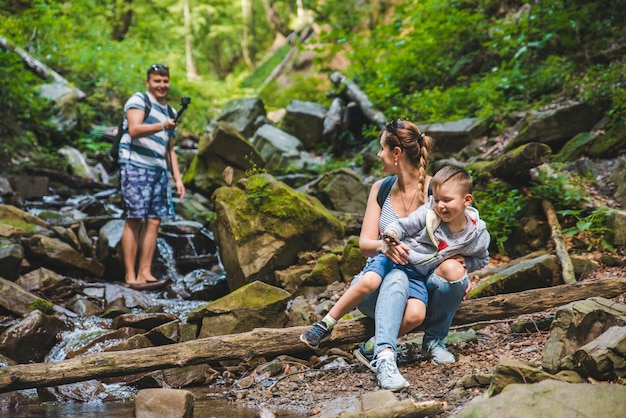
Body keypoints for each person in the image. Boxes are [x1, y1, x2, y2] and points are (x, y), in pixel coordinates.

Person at [300, 166, 490, 365]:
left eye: (447, 201)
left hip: (416, 275)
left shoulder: (476, 235)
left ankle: (374, 344)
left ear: (467, 200)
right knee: (370, 280)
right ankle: (325, 324)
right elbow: (402, 225)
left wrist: (465, 263)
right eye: (437, 200)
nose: (440, 206)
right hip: (397, 256)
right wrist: (391, 236)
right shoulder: (429, 213)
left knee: (416, 314)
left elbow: (482, 259)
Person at [117, 63, 186, 289]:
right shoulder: (138, 100)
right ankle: (130, 275)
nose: (161, 85)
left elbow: (170, 149)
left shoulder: (171, 112)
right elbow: (134, 129)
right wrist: (162, 125)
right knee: (135, 218)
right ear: (148, 82)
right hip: (135, 165)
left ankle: (145, 271)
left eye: (165, 81)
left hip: (159, 170)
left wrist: (178, 179)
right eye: (157, 81)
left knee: (154, 221)